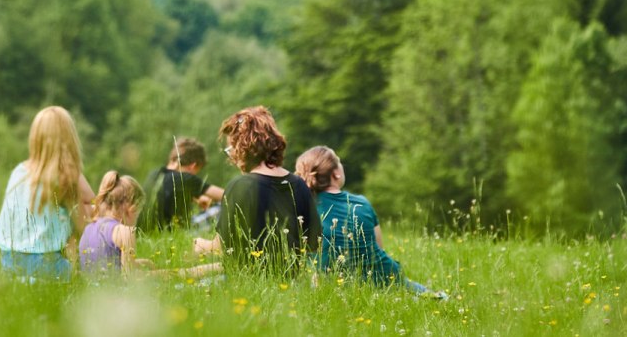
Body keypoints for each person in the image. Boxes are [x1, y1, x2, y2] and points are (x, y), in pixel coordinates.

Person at [295, 146, 447, 298]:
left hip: (335, 286)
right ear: (336, 174)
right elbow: (378, 247)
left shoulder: (302, 209)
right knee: (428, 296)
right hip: (384, 277)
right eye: (339, 162)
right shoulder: (362, 203)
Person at [194, 106, 322, 275]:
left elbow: (221, 249)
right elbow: (314, 243)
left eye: (230, 150)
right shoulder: (298, 184)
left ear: (242, 146)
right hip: (291, 284)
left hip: (246, 285)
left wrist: (199, 245)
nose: (231, 157)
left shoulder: (240, 185)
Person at [0, 106, 95, 282]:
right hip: (47, 266)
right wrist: (75, 172)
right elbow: (86, 225)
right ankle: (84, 269)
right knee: (91, 211)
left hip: (9, 261)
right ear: (70, 139)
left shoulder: (19, 171)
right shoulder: (63, 177)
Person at [138, 138, 224, 231]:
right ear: (193, 166)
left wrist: (196, 199)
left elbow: (166, 194)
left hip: (146, 231)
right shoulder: (187, 178)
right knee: (220, 208)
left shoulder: (154, 174)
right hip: (170, 231)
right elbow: (228, 195)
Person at [79, 171, 147, 273]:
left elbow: (107, 261)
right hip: (115, 288)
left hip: (91, 288)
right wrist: (170, 273)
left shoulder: (88, 228)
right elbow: (130, 278)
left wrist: (142, 263)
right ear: (132, 209)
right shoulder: (125, 232)